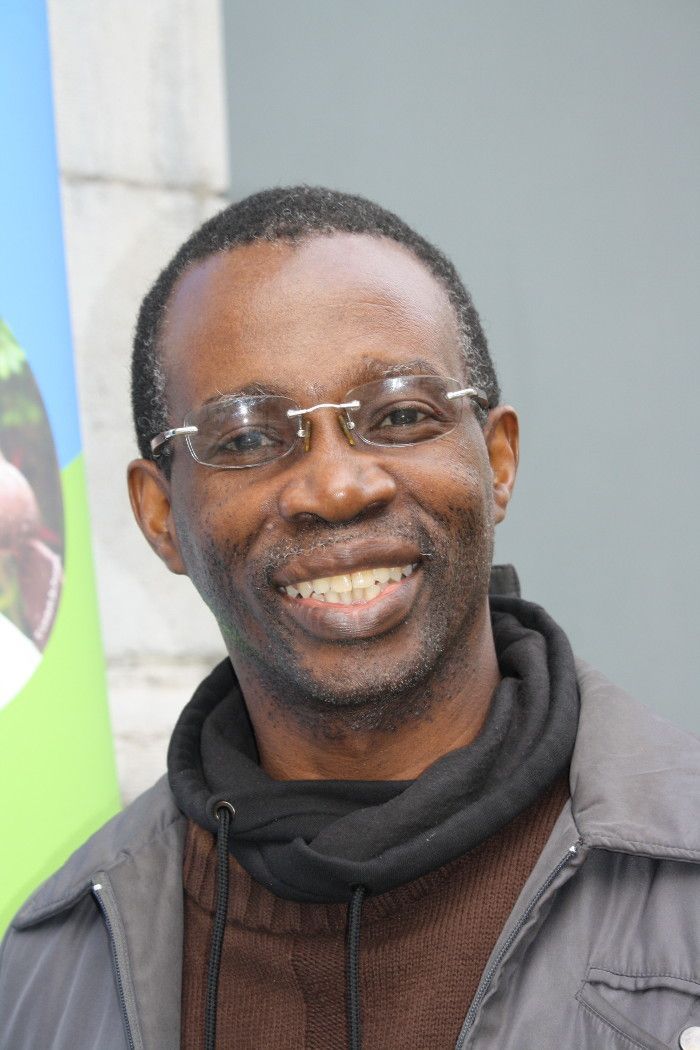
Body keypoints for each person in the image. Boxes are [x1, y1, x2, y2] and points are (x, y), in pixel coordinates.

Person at [1, 187, 698, 1050]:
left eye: (400, 415)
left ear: (498, 461)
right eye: (247, 438)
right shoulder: (51, 969)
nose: (336, 487)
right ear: (160, 517)